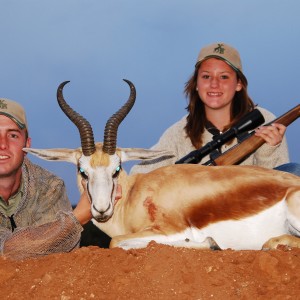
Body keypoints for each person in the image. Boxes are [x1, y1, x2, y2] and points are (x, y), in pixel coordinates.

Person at [131, 42, 300, 175]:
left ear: (239, 84)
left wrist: (267, 152)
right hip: (202, 213)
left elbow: (279, 183)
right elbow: (140, 174)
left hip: (253, 208)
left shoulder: (264, 120)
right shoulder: (178, 134)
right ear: (196, 83)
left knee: (294, 172)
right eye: (206, 76)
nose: (214, 84)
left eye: (224, 77)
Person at [0, 98, 93, 260]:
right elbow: (7, 252)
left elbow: (64, 251)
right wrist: (77, 218)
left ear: (27, 145)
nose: (2, 145)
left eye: (13, 135)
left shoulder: (50, 187)